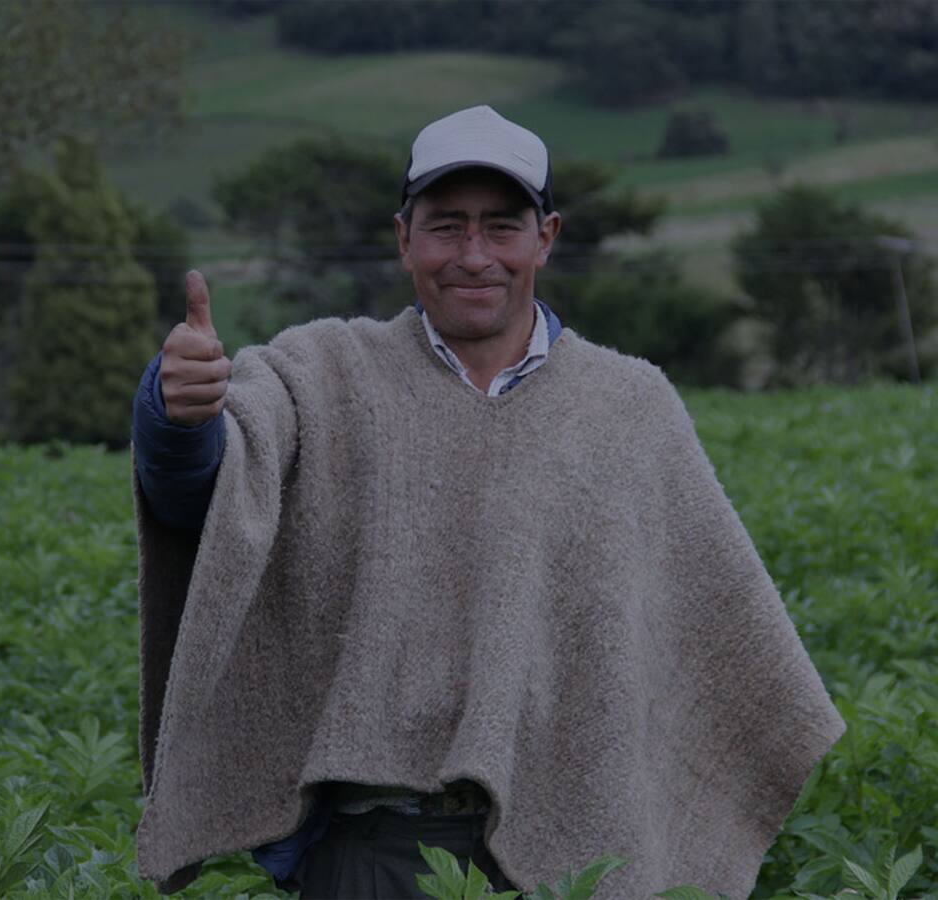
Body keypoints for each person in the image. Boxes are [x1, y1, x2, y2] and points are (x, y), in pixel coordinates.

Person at [129, 105, 844, 900]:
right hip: (371, 858)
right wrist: (179, 417)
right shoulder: (322, 372)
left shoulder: (629, 408)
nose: (474, 256)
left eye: (502, 227)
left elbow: (718, 631)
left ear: (546, 237)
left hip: (569, 865)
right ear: (404, 239)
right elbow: (205, 492)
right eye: (447, 227)